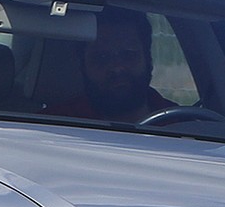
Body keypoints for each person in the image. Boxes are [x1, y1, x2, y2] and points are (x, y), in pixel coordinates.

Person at [45, 7, 176, 123]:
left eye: (128, 55)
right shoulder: (51, 126)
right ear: (83, 66)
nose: (117, 68)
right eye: (101, 58)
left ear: (148, 60)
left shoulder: (181, 124)